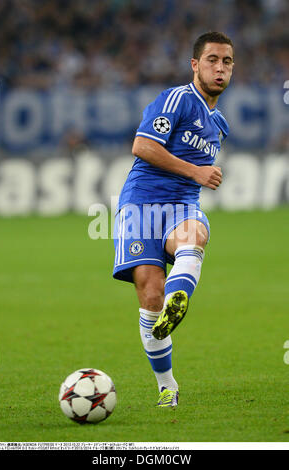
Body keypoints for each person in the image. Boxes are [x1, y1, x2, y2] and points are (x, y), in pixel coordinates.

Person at [113, 32, 234, 407]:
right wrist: (196, 171)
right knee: (150, 296)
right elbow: (142, 146)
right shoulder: (177, 99)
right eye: (212, 60)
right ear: (195, 65)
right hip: (141, 205)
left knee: (194, 234)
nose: (220, 68)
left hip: (182, 205)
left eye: (227, 62)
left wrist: (195, 178)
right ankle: (167, 385)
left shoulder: (220, 124)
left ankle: (178, 297)